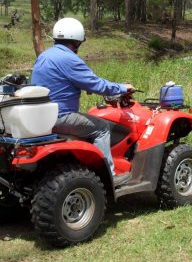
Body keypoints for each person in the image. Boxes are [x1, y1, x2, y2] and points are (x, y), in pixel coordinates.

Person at [31, 18, 134, 186]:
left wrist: (83, 86)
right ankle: (109, 175)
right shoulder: (70, 59)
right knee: (102, 128)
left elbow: (56, 82)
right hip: (61, 117)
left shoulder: (44, 56)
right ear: (76, 41)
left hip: (40, 116)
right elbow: (97, 84)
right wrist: (122, 88)